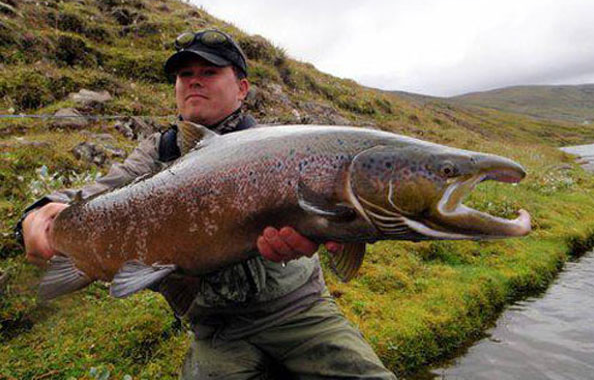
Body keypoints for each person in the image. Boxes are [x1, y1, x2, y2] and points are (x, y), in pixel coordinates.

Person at [16, 29, 397, 380]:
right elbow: (91, 195)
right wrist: (38, 214)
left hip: (300, 311)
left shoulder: (277, 144)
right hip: (216, 330)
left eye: (210, 71)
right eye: (185, 74)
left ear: (242, 88)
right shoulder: (157, 152)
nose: (194, 80)